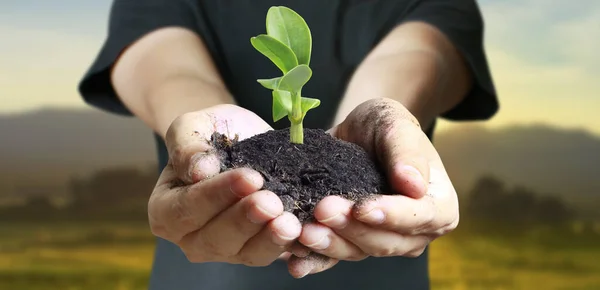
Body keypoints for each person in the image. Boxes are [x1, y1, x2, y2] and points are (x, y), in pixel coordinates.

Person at [78, 0, 498, 289]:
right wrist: (210, 136)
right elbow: (159, 62)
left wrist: (382, 126)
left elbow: (424, 56)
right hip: (202, 275)